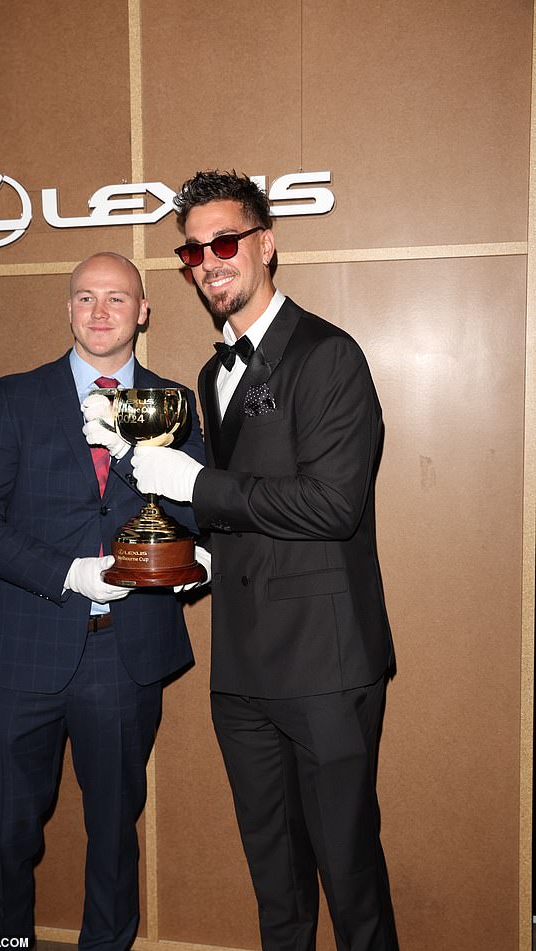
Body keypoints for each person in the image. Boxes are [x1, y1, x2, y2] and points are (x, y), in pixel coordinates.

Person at [130, 172, 398, 951]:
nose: (208, 262)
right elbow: (246, 510)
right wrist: (207, 553)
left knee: (349, 875)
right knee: (274, 877)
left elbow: (332, 505)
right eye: (192, 251)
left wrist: (199, 484)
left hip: (325, 662)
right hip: (242, 669)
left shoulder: (329, 355)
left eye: (223, 242)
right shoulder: (215, 374)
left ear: (266, 244)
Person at [0, 251, 205, 950]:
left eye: (117, 299)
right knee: (1, 841)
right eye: (85, 298)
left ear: (143, 311)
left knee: (114, 840)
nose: (99, 312)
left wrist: (194, 558)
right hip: (23, 651)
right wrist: (66, 571)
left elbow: (198, 511)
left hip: (125, 655)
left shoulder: (173, 401)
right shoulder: (14, 397)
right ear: (68, 309)